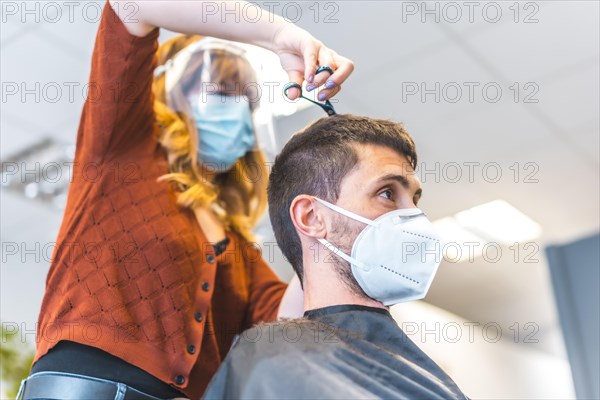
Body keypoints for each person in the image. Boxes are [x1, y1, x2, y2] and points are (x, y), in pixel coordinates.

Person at [17, 1, 354, 399]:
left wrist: (329, 223)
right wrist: (282, 36)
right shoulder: (122, 150)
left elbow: (284, 324)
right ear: (172, 93)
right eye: (220, 92)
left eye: (245, 101)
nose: (235, 111)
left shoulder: (237, 246)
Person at [202, 114, 469, 399]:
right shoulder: (274, 360)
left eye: (414, 200)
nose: (416, 218)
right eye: (387, 193)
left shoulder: (434, 382)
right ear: (312, 217)